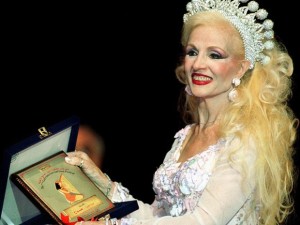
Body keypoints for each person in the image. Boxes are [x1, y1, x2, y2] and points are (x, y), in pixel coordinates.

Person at [65, 0, 299, 224]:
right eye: (192, 52)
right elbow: (158, 217)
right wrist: (105, 186)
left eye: (214, 55)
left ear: (241, 67)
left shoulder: (245, 140)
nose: (198, 64)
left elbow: (201, 222)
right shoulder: (186, 136)